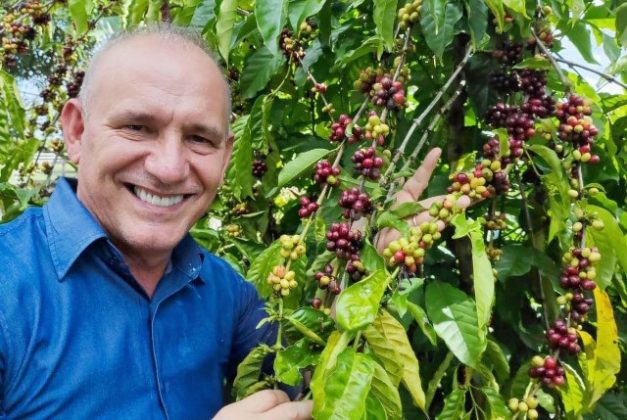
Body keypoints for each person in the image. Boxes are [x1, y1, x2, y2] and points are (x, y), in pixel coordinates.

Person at [0, 26, 458, 419]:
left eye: (199, 138)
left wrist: (364, 274)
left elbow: (305, 386)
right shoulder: (9, 286)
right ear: (77, 131)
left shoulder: (226, 292)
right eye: (137, 127)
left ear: (225, 155)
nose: (169, 168)